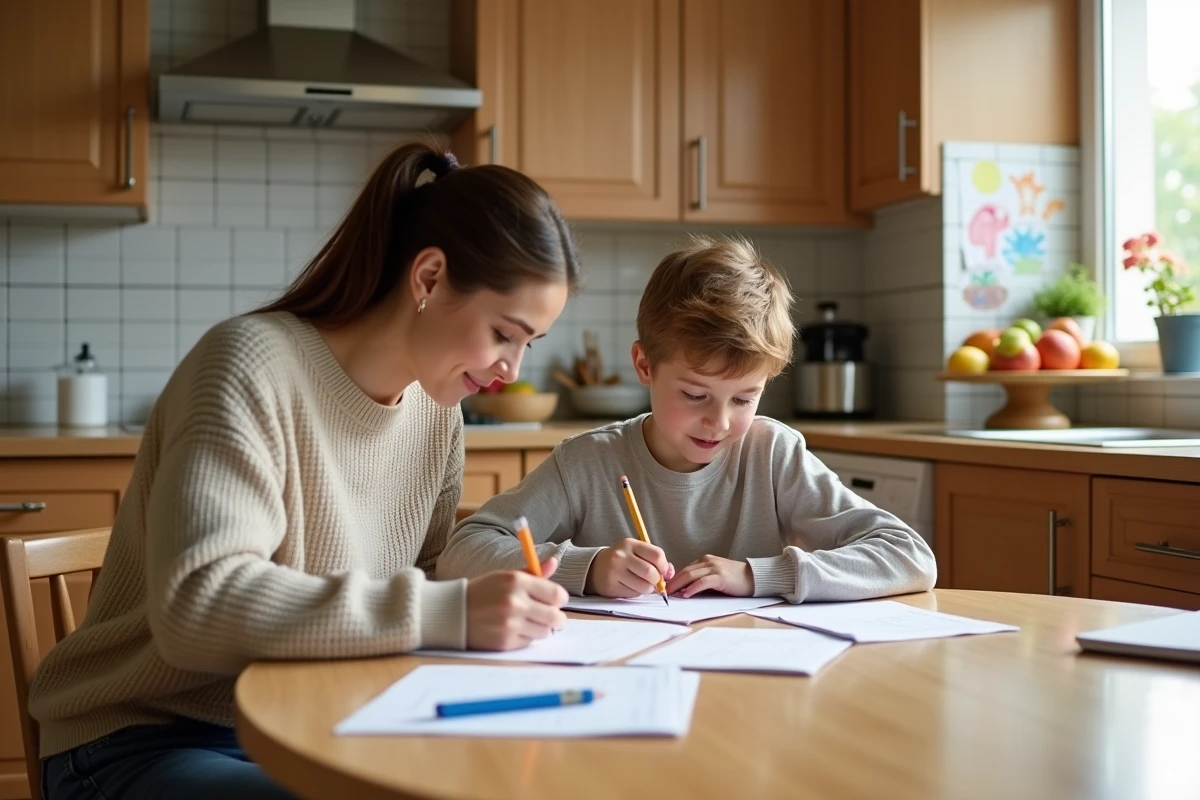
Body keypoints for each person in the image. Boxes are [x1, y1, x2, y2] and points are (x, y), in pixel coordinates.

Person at [30, 141, 580, 800]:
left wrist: (498, 591)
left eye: (528, 344)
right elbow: (195, 608)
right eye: (504, 334)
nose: (511, 371)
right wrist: (454, 609)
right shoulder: (250, 366)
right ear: (429, 278)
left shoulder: (437, 416)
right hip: (146, 738)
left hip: (317, 716)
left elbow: (426, 578)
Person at [437, 235, 936, 603]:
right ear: (644, 365)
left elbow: (910, 555)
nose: (718, 422)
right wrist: (585, 568)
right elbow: (462, 553)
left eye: (744, 399)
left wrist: (759, 576)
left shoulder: (773, 456)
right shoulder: (588, 462)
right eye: (696, 394)